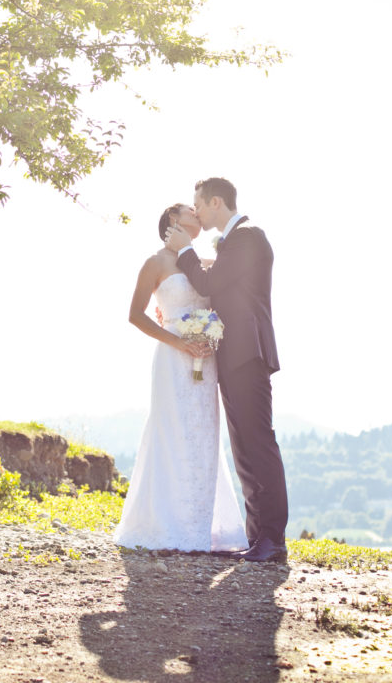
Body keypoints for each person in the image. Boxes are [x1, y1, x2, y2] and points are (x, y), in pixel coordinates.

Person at [164, 177, 289, 563]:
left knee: (258, 444)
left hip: (247, 353)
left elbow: (210, 281)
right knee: (244, 450)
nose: (196, 212)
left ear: (216, 202)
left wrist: (184, 250)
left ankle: (273, 540)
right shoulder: (235, 242)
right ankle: (259, 539)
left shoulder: (248, 237)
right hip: (233, 355)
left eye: (198, 204)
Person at [114, 203, 248, 553]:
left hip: (206, 357)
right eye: (191, 209)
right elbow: (135, 315)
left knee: (203, 435)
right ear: (174, 220)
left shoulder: (203, 264)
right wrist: (179, 341)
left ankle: (201, 528)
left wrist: (207, 334)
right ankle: (166, 524)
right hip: (173, 357)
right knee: (171, 430)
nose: (197, 213)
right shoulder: (155, 263)